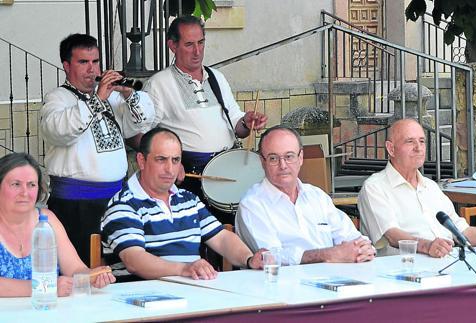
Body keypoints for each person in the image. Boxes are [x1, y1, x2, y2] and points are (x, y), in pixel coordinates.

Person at [40, 33, 155, 265]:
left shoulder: (112, 99)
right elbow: (59, 130)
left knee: (120, 267)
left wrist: (130, 95)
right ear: (66, 65)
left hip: (116, 200)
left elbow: (144, 122)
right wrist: (97, 100)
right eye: (83, 62)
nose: (92, 69)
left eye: (95, 62)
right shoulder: (57, 99)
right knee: (84, 269)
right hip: (76, 206)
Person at [143, 16, 267, 223]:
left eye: (201, 43)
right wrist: (170, 163)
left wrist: (246, 121)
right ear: (172, 46)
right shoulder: (158, 84)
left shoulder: (216, 77)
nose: (197, 51)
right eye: (189, 44)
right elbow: (143, 135)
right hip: (192, 174)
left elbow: (237, 125)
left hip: (228, 168)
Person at [101, 128, 264, 282]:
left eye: (175, 160)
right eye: (161, 159)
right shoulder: (123, 205)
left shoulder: (188, 199)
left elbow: (221, 238)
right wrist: (184, 269)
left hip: (193, 295)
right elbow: (135, 261)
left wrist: (249, 260)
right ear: (141, 161)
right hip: (141, 302)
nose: (170, 169)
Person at [358, 119, 476, 257]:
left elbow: (462, 231)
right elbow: (392, 235)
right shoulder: (375, 187)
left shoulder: (431, 187)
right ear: (391, 148)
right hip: (404, 273)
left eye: (421, 141)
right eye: (410, 141)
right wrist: (427, 247)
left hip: (449, 264)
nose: (418, 147)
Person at [236, 125, 375, 265]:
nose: (283, 165)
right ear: (262, 161)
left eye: (289, 156)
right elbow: (270, 257)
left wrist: (362, 249)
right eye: (273, 158)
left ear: (300, 158)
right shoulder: (252, 204)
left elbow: (352, 237)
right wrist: (328, 255)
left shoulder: (317, 196)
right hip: (283, 283)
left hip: (334, 278)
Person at [0, 153, 115, 297]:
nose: (25, 192)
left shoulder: (47, 219)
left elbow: (74, 269)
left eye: (31, 185)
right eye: (16, 184)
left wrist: (92, 277)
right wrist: (45, 287)